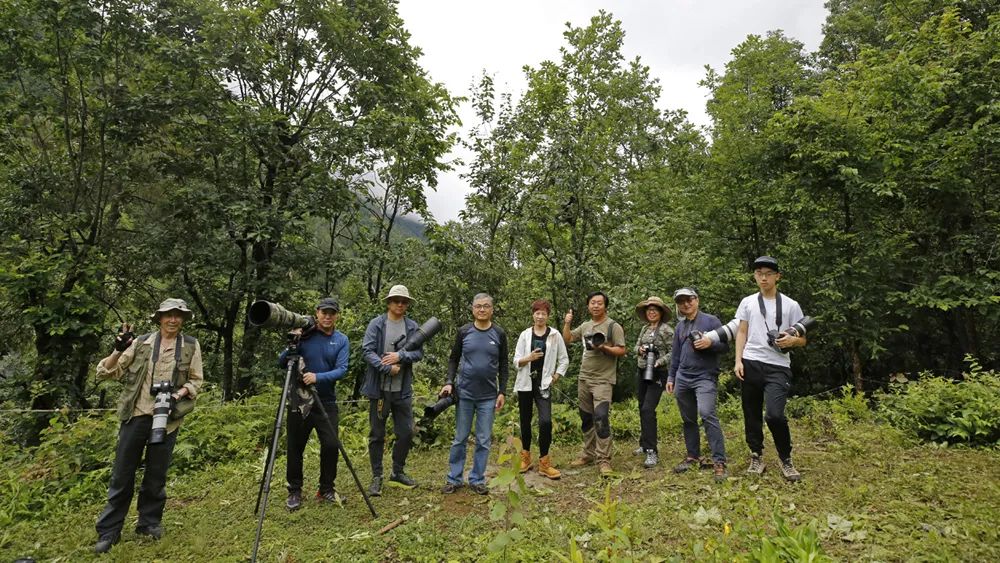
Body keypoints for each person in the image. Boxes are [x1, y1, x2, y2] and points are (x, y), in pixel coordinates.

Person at [93, 298, 204, 553]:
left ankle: (149, 523)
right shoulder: (142, 343)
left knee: (156, 474)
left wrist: (179, 393)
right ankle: (109, 531)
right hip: (137, 414)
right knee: (122, 474)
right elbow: (106, 373)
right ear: (159, 318)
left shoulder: (190, 346)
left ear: (183, 319)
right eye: (168, 315)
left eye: (178, 315)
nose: (173, 319)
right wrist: (118, 350)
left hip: (168, 418)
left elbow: (197, 380)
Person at [733, 256, 807, 481]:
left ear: (777, 276)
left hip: (778, 366)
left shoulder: (791, 305)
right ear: (755, 276)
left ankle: (786, 458)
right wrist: (738, 360)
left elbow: (803, 339)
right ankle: (756, 455)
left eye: (768, 274)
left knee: (774, 415)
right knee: (751, 412)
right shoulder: (747, 302)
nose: (763, 278)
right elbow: (742, 332)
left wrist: (792, 342)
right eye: (758, 274)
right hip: (751, 362)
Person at [278, 297, 350, 510]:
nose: (327, 316)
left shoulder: (341, 339)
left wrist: (317, 377)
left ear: (336, 315)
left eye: (332, 313)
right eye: (324, 312)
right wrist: (293, 341)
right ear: (317, 313)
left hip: (326, 401)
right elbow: (281, 362)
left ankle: (326, 489)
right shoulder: (305, 335)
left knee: (331, 444)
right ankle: (294, 491)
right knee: (295, 446)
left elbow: (342, 369)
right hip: (299, 400)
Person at [441, 293, 509, 495]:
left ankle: (477, 479)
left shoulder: (499, 333)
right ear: (472, 309)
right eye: (478, 306)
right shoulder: (464, 332)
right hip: (465, 394)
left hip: (488, 395)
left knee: (484, 440)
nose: (482, 309)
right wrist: (449, 382)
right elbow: (453, 359)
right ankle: (454, 478)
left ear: (492, 309)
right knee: (460, 437)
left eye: (486, 306)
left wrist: (502, 391)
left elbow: (504, 365)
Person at [361, 285, 425, 496]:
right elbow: (367, 351)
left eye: (404, 301)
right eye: (396, 300)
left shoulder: (412, 326)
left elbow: (418, 354)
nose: (400, 304)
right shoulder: (377, 324)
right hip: (379, 390)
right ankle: (376, 476)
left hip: (402, 391)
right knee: (377, 434)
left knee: (405, 433)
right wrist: (386, 367)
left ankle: (397, 471)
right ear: (389, 302)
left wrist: (400, 357)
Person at [666, 287, 730, 482]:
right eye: (681, 301)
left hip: (705, 376)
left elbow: (726, 346)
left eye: (689, 299)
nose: (686, 304)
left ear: (697, 300)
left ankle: (719, 461)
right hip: (683, 377)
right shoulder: (680, 327)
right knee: (688, 419)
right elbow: (675, 354)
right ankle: (693, 456)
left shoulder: (711, 321)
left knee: (708, 414)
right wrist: (671, 377)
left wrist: (710, 344)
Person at [562, 291, 627, 476]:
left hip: (604, 380)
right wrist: (567, 322)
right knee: (586, 418)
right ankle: (588, 454)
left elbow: (622, 350)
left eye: (599, 303)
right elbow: (567, 339)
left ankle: (604, 460)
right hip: (584, 378)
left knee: (601, 417)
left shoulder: (613, 326)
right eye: (592, 303)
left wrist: (603, 347)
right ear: (588, 305)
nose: (596, 305)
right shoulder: (585, 326)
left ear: (605, 305)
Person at [512, 299, 569, 479]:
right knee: (525, 421)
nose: (540, 316)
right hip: (525, 383)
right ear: (533, 315)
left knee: (545, 421)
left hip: (544, 383)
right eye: (537, 313)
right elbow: (516, 361)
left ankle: (544, 462)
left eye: (543, 313)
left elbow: (564, 359)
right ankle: (525, 457)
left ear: (548, 316)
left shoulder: (555, 335)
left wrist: (557, 376)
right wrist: (528, 358)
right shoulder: (525, 335)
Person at [631, 296, 674, 468]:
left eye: (655, 309)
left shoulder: (667, 331)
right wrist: (640, 350)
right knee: (642, 407)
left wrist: (660, 361)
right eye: (649, 309)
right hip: (642, 371)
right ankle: (644, 443)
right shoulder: (644, 329)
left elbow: (673, 352)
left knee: (648, 409)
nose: (651, 312)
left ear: (661, 312)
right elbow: (634, 347)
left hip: (658, 373)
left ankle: (652, 451)